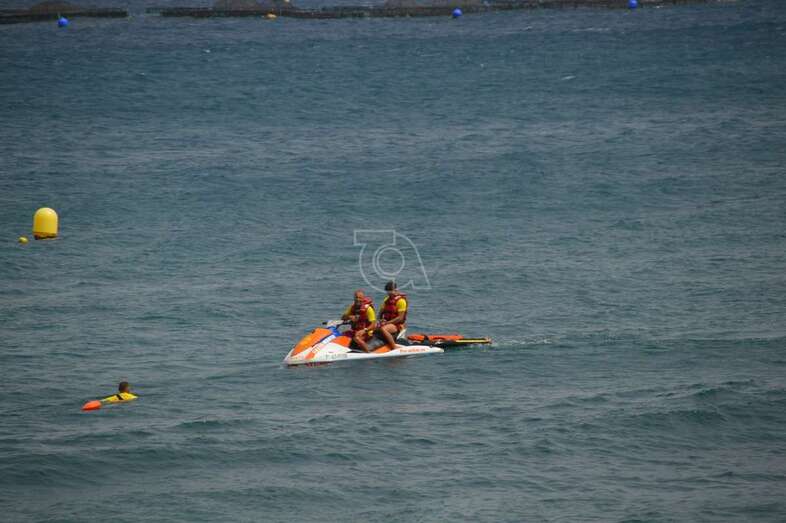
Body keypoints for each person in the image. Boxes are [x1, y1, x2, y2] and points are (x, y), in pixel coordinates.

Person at [376, 281, 408, 351]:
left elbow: (400, 318)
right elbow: (379, 314)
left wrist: (387, 323)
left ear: (395, 290)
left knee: (383, 329)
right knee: (373, 328)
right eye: (388, 292)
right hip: (387, 322)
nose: (389, 294)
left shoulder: (401, 301)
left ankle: (394, 347)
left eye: (391, 291)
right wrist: (381, 320)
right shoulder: (386, 300)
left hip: (397, 325)